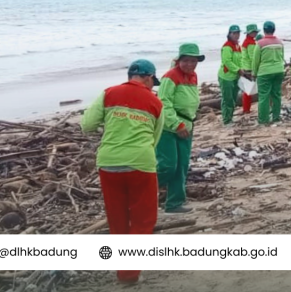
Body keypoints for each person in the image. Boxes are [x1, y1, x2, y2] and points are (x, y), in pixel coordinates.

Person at [80, 59, 163, 283]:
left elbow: (86, 125)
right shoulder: (155, 101)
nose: (152, 85)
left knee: (117, 220)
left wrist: (112, 128)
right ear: (147, 77)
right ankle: (129, 272)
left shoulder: (109, 93)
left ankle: (123, 271)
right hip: (140, 163)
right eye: (152, 81)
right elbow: (155, 138)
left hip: (108, 163)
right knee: (144, 220)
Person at [156, 43, 204, 214]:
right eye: (186, 61)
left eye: (194, 61)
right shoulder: (170, 77)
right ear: (179, 60)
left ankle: (174, 203)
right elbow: (163, 103)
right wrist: (177, 124)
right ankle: (143, 190)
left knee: (182, 166)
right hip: (170, 128)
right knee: (168, 165)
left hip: (188, 125)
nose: (190, 64)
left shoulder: (193, 76)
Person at [252, 21, 285, 125]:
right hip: (279, 70)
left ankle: (263, 120)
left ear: (264, 30)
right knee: (276, 94)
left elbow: (255, 60)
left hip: (264, 72)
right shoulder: (280, 43)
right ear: (274, 30)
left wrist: (254, 73)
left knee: (264, 96)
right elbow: (282, 57)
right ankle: (276, 117)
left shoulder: (260, 43)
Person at [218, 25, 244, 126]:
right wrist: (238, 70)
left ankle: (230, 117)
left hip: (235, 76)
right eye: (234, 33)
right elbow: (227, 62)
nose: (236, 35)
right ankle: (226, 120)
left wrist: (242, 70)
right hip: (226, 77)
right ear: (229, 34)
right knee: (227, 99)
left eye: (238, 33)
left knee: (233, 99)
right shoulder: (227, 46)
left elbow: (240, 60)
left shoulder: (237, 46)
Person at [240, 24, 260, 115]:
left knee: (247, 91)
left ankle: (246, 109)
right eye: (253, 32)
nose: (255, 33)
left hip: (245, 67)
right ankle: (246, 109)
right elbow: (253, 58)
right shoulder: (251, 43)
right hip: (250, 69)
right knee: (248, 91)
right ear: (249, 33)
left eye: (255, 32)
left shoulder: (245, 42)